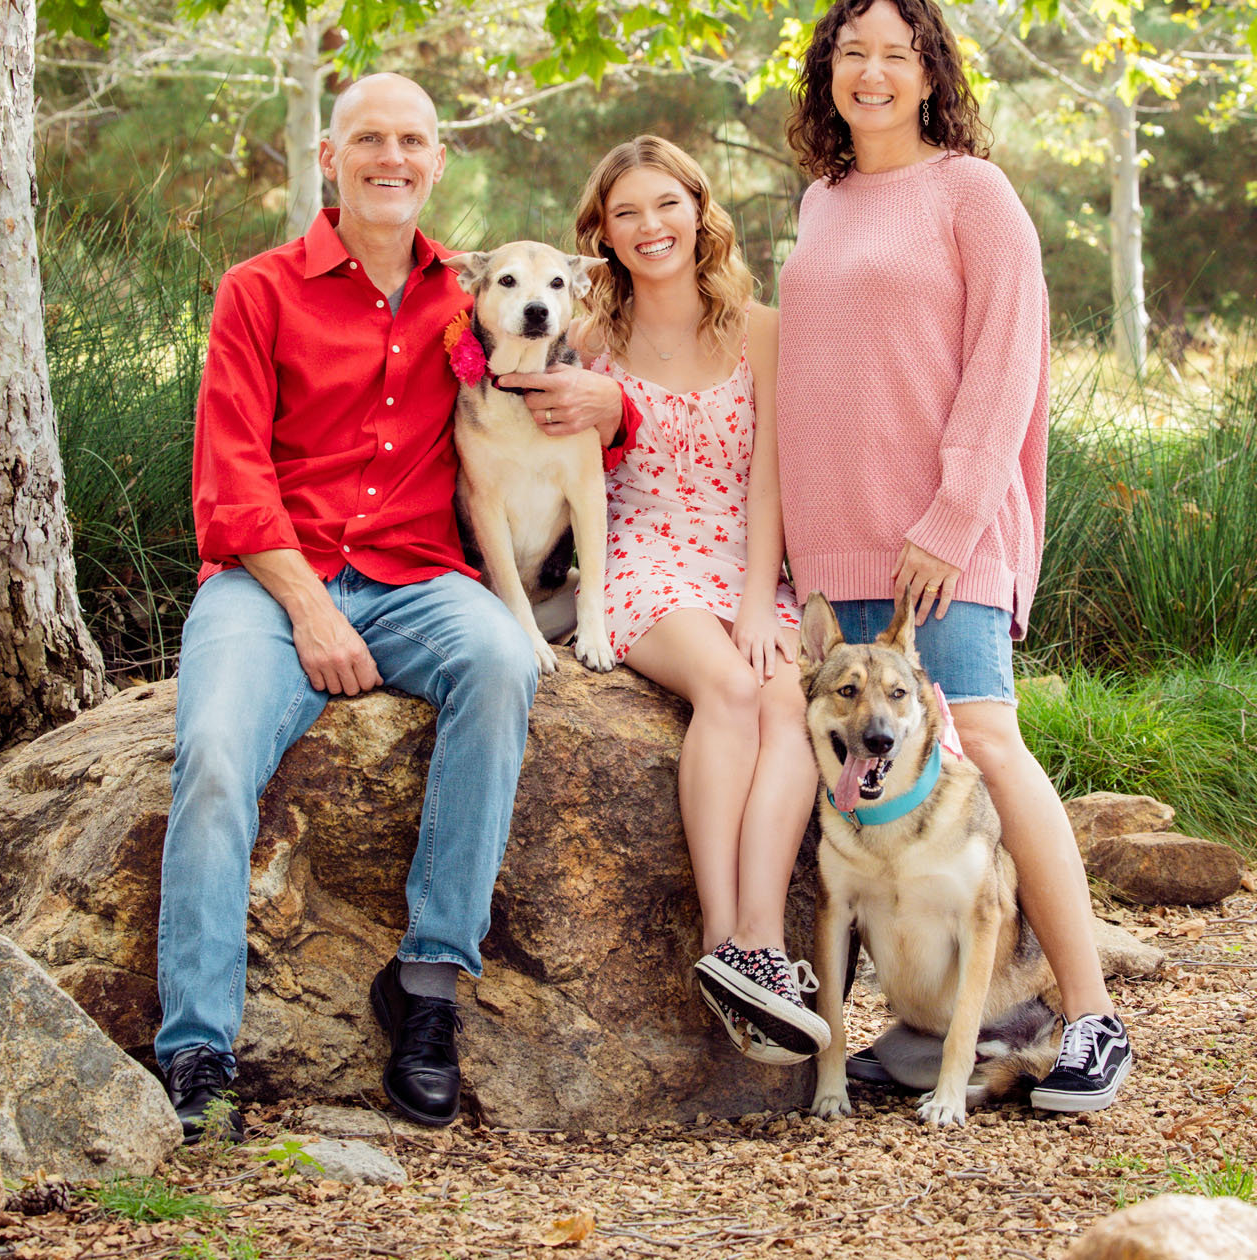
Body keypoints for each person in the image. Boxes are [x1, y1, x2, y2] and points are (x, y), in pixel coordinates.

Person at [156, 73, 620, 1137]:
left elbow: (551, 395)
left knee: (504, 665)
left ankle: (427, 986)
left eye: (414, 140)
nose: (392, 157)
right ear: (331, 156)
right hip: (272, 581)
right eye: (370, 138)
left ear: (438, 162)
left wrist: (612, 405)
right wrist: (309, 612)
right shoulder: (259, 291)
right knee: (218, 750)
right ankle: (196, 1049)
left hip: (415, 577)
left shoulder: (467, 294)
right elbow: (227, 478)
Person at [775, 0, 1136, 1112]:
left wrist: (953, 514)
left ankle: (1092, 1019)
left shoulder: (973, 194)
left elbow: (1009, 361)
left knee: (981, 738)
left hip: (944, 532)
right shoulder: (820, 202)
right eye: (850, 53)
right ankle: (926, 1027)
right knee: (846, 764)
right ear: (828, 73)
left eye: (894, 53)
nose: (870, 72)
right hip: (832, 542)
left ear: (931, 73)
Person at [569, 136, 828, 1063]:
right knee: (725, 688)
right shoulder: (589, 339)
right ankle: (726, 939)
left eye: (665, 205)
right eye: (626, 213)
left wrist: (762, 605)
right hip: (642, 556)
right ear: (601, 231)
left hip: (744, 559)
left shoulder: (759, 329)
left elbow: (772, 481)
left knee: (788, 701)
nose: (650, 228)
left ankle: (759, 944)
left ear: (697, 210)